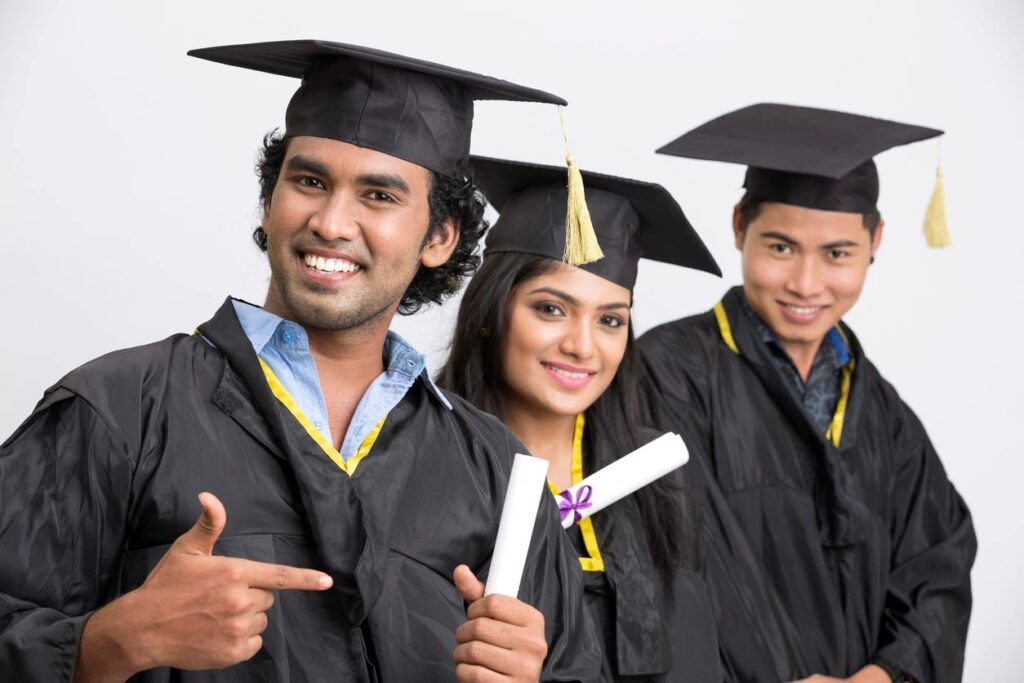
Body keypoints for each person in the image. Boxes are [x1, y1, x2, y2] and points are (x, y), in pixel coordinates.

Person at [0, 40, 602, 682]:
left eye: (378, 196)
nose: (332, 222)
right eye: (310, 181)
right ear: (270, 200)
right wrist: (108, 643)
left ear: (439, 237)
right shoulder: (121, 409)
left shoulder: (498, 474)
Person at [640, 103, 977, 683]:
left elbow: (938, 569)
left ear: (876, 241)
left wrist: (884, 676)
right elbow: (676, 571)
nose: (806, 283)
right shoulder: (667, 373)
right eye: (781, 247)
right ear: (739, 225)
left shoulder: (885, 414)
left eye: (837, 254)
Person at [438, 156, 723, 682]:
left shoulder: (661, 482)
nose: (582, 346)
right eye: (551, 309)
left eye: (610, 319)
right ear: (491, 313)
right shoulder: (426, 467)